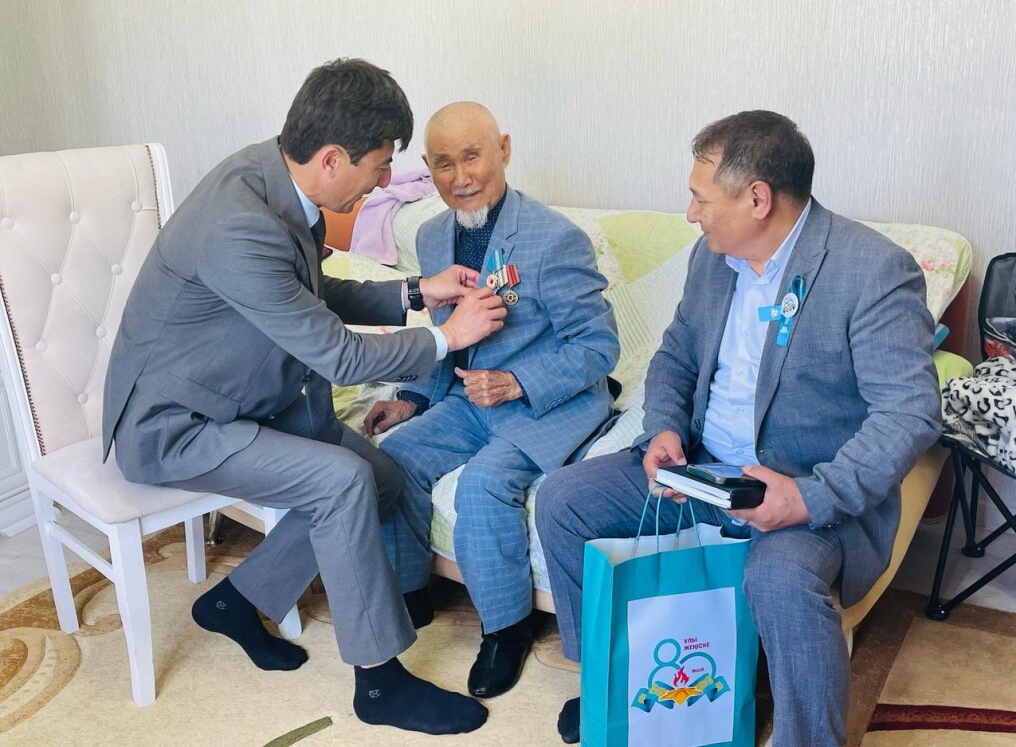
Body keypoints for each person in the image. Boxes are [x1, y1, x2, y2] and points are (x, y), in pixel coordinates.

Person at [102, 58, 507, 736]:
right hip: (175, 424)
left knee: (382, 477)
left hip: (241, 392)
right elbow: (340, 355)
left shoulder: (273, 176)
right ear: (332, 158)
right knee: (342, 482)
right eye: (380, 165)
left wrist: (416, 290)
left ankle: (236, 601)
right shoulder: (238, 227)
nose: (386, 181)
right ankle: (379, 684)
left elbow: (308, 291)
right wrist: (447, 336)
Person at [535, 110, 942, 745]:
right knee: (564, 499)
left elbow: (910, 412)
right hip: (701, 471)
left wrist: (807, 497)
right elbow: (675, 355)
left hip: (806, 491)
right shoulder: (712, 258)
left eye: (700, 198)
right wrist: (665, 430)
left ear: (757, 198)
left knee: (779, 577)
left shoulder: (871, 270)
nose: (690, 214)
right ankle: (613, 681)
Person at [363, 102, 620, 699]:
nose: (461, 177)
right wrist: (412, 398)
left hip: (546, 404)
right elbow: (448, 337)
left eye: (472, 156)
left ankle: (506, 630)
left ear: (503, 149)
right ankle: (411, 594)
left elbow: (599, 347)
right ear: (427, 167)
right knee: (393, 458)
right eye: (443, 164)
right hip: (471, 399)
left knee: (482, 484)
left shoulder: (554, 238)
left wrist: (518, 382)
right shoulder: (431, 236)